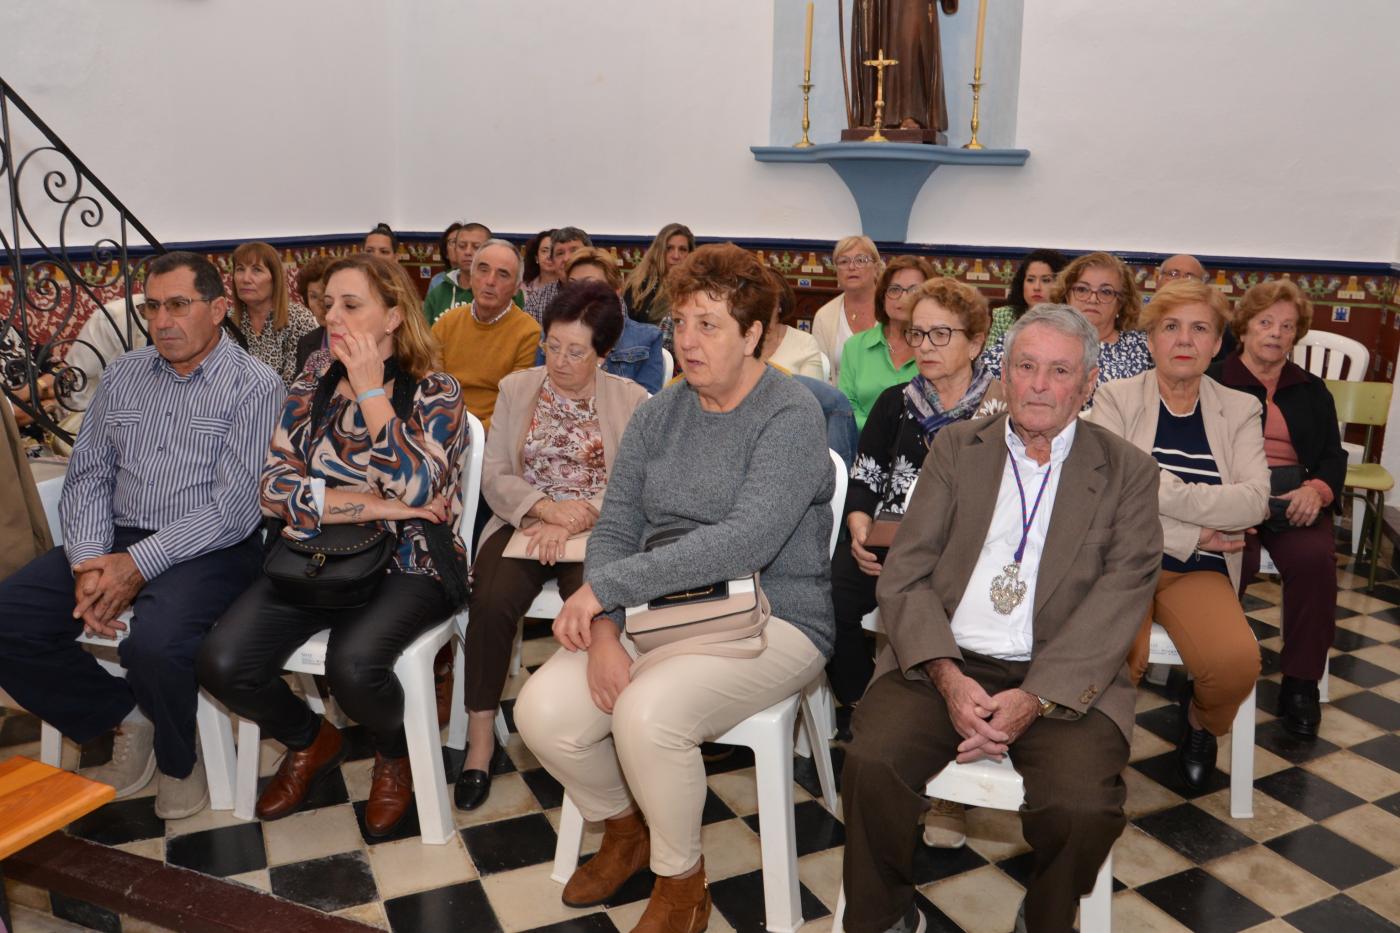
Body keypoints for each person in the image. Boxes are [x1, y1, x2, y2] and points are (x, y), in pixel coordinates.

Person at [514, 243, 834, 933]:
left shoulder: (791, 414)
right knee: (541, 712)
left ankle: (682, 883)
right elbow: (617, 524)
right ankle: (624, 827)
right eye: (681, 322)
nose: (687, 341)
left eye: (709, 325)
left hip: (775, 614)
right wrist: (605, 629)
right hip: (658, 609)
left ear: (753, 334)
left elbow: (746, 540)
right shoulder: (661, 412)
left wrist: (604, 591)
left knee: (647, 714)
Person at [840, 305, 1162, 933]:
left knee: (1082, 808)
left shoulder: (1126, 471)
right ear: (1005, 374)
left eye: (1059, 371)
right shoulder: (957, 448)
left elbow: (1120, 599)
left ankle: (1045, 919)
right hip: (941, 656)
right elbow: (906, 572)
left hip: (1063, 676)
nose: (1039, 385)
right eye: (1025, 367)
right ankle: (884, 917)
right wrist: (947, 676)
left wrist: (1035, 698)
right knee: (872, 765)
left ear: (1088, 383)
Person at [0, 251, 284, 819]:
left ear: (218, 309)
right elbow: (88, 474)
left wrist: (135, 565)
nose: (162, 321)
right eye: (152, 307)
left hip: (212, 545)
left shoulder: (255, 385)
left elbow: (233, 510)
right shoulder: (124, 374)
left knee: (156, 643)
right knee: (9, 620)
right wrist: (88, 561)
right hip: (116, 537)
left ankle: (180, 761)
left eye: (178, 305)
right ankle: (125, 716)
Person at [198, 254, 469, 836]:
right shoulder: (310, 387)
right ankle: (311, 739)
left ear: (393, 316)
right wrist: (381, 505)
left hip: (410, 560)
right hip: (314, 555)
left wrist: (371, 392)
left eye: (351, 305)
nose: (332, 318)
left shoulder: (437, 391)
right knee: (222, 662)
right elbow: (274, 489)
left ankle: (393, 753)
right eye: (327, 305)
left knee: (353, 666)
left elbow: (421, 488)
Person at [461, 281, 650, 811]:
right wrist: (545, 510)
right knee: (490, 600)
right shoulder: (517, 387)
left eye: (576, 352)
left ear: (603, 354)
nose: (559, 361)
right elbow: (495, 474)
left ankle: (587, 731)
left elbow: (634, 484)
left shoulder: (632, 401)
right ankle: (480, 738)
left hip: (599, 528)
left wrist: (579, 515)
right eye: (553, 345)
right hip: (524, 519)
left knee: (593, 610)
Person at [1088, 280, 1267, 791]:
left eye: (1199, 328)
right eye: (1170, 327)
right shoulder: (1116, 399)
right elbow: (1110, 498)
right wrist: (1196, 532)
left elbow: (1254, 501)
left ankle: (1200, 725)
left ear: (1217, 343)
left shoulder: (1240, 408)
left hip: (1199, 571)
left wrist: (1160, 490)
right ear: (1151, 341)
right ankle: (1095, 755)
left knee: (1233, 664)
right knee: (1113, 656)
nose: (1184, 339)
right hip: (1123, 560)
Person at [832, 277, 1003, 707]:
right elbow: (866, 476)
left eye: (940, 334)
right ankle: (863, 700)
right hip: (892, 543)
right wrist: (859, 524)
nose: (925, 346)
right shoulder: (896, 401)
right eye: (917, 333)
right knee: (830, 600)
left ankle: (944, 702)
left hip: (967, 551)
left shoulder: (1002, 412)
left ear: (975, 343)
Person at [1210, 279, 1344, 737]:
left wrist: (1318, 491)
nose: (1276, 333)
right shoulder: (1213, 381)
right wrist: (1231, 502)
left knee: (1314, 562)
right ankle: (1210, 671)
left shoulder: (1310, 388)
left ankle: (1301, 684)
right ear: (1245, 326)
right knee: (1231, 559)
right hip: (1233, 498)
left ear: (1296, 335)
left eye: (1287, 326)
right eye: (1266, 322)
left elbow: (1333, 456)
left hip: (1294, 499)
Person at [983, 252, 1152, 403]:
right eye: (1082, 289)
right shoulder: (1033, 336)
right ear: (1066, 295)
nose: (1092, 299)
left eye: (1106, 292)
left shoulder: (1143, 348)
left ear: (1121, 302)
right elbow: (985, 376)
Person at [431, 239, 541, 432]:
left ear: (517, 287)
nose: (490, 281)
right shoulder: (446, 323)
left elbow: (515, 406)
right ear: (471, 276)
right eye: (483, 270)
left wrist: (471, 436)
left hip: (495, 434)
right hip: (443, 426)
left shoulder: (529, 333)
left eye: (503, 274)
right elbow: (432, 387)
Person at [533, 247, 666, 394]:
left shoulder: (647, 338)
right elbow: (538, 390)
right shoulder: (551, 335)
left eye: (591, 286)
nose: (579, 294)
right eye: (573, 285)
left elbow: (648, 402)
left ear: (616, 290)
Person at [838, 255, 934, 429]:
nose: (902, 297)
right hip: (862, 441)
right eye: (894, 289)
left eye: (914, 290)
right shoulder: (855, 346)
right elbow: (846, 409)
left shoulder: (936, 347)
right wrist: (881, 431)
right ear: (883, 297)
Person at [230, 241, 318, 385]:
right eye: (240, 269)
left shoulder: (299, 319)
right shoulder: (225, 321)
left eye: (256, 270)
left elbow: (299, 383)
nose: (245, 279)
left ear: (275, 278)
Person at [423, 222, 525, 326]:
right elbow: (424, 331)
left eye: (476, 247)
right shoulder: (438, 292)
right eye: (462, 246)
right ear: (455, 249)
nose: (468, 252)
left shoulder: (508, 292)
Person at [811, 236, 882, 381]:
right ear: (836, 271)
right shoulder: (824, 316)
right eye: (844, 261)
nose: (851, 267)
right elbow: (821, 376)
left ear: (876, 268)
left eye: (860, 260)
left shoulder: (893, 309)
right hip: (838, 395)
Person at [622, 223, 695, 347]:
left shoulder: (697, 288)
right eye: (669, 248)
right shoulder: (638, 286)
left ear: (690, 254)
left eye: (682, 249)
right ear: (659, 251)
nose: (676, 256)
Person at [987, 249, 1069, 345]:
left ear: (1061, 284)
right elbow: (989, 354)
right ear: (1021, 283)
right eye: (1030, 280)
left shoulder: (1070, 320)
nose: (1037, 287)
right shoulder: (1005, 316)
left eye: (1046, 280)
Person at [760, 270, 825, 379]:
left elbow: (811, 389)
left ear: (780, 305)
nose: (760, 307)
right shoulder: (737, 340)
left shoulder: (805, 343)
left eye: (767, 300)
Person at [293, 256, 333, 374]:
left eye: (326, 295)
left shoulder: (360, 339)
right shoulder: (305, 342)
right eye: (313, 296)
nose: (322, 304)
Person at [521, 228, 560, 321]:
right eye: (544, 251)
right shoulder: (522, 289)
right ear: (536, 257)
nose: (549, 256)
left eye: (555, 251)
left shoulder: (569, 288)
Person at [428, 221, 464, 292]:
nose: (457, 246)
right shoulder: (437, 281)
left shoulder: (479, 280)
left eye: (462, 242)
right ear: (446, 253)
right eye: (453, 242)